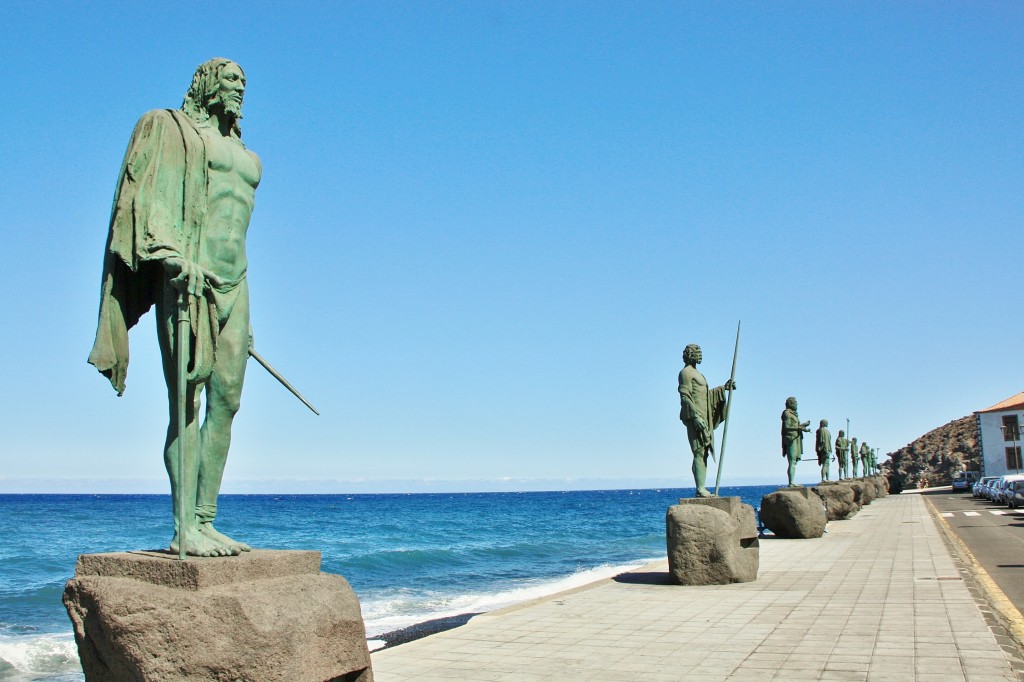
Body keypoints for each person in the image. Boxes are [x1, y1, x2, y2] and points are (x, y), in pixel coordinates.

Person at [88, 58, 260, 557]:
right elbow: (145, 200)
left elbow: (235, 227)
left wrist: (249, 322)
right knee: (184, 400)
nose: (239, 89)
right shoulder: (173, 131)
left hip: (238, 283)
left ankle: (207, 520)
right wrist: (170, 255)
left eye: (244, 83)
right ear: (207, 85)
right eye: (230, 80)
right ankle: (184, 526)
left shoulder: (249, 158)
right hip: (187, 281)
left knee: (227, 403)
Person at [677, 344, 735, 497]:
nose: (700, 354)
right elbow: (685, 396)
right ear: (690, 354)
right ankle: (700, 488)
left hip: (704, 416)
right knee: (699, 451)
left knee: (704, 453)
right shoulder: (685, 373)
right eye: (697, 352)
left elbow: (704, 396)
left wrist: (723, 388)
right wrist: (695, 417)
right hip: (695, 417)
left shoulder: (697, 373)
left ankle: (702, 487)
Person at [781, 397, 811, 487]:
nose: (796, 405)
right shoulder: (787, 413)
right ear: (790, 403)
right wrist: (800, 427)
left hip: (796, 438)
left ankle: (792, 482)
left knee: (793, 461)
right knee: (792, 461)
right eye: (795, 403)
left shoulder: (794, 414)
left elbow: (797, 426)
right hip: (791, 438)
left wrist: (804, 428)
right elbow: (786, 427)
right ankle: (791, 483)